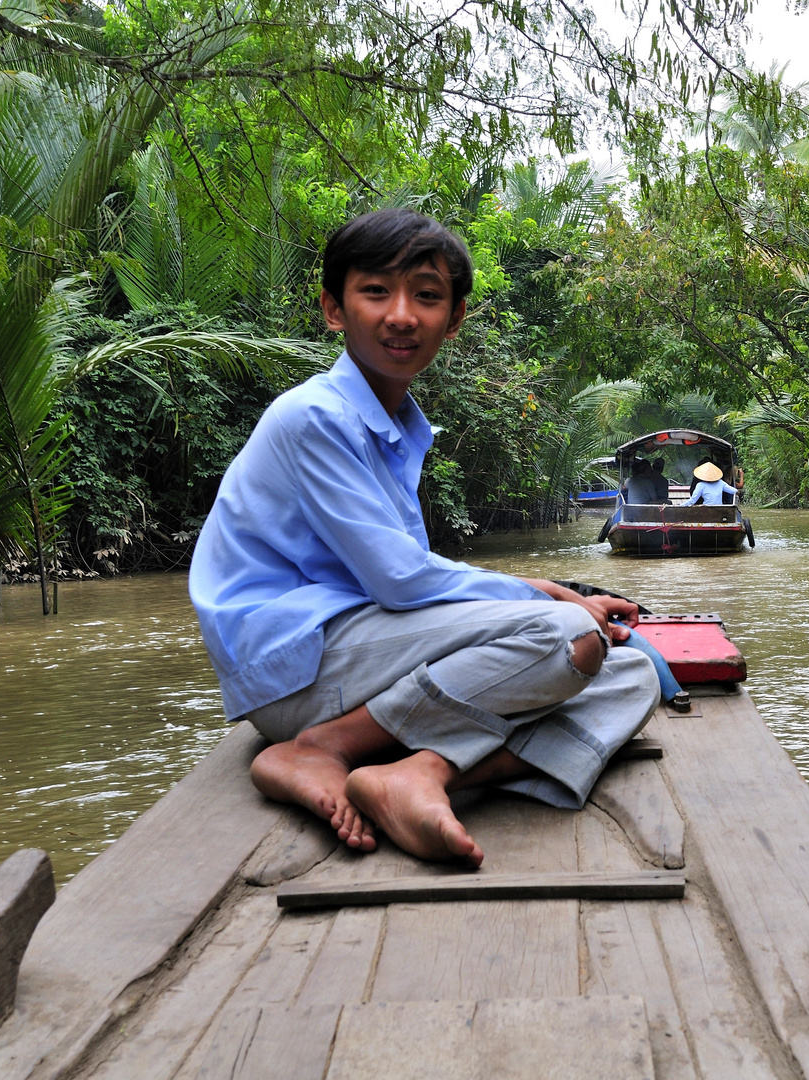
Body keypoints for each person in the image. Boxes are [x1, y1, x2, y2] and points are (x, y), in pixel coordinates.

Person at [188, 208, 660, 865]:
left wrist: (546, 596)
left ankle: (427, 772)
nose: (402, 315)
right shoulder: (315, 419)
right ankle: (322, 749)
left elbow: (403, 575)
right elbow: (403, 581)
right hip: (298, 667)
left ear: (454, 319)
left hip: (356, 646)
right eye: (376, 291)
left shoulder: (394, 424)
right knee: (570, 638)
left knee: (629, 671)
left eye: (427, 296)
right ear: (334, 309)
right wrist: (548, 596)